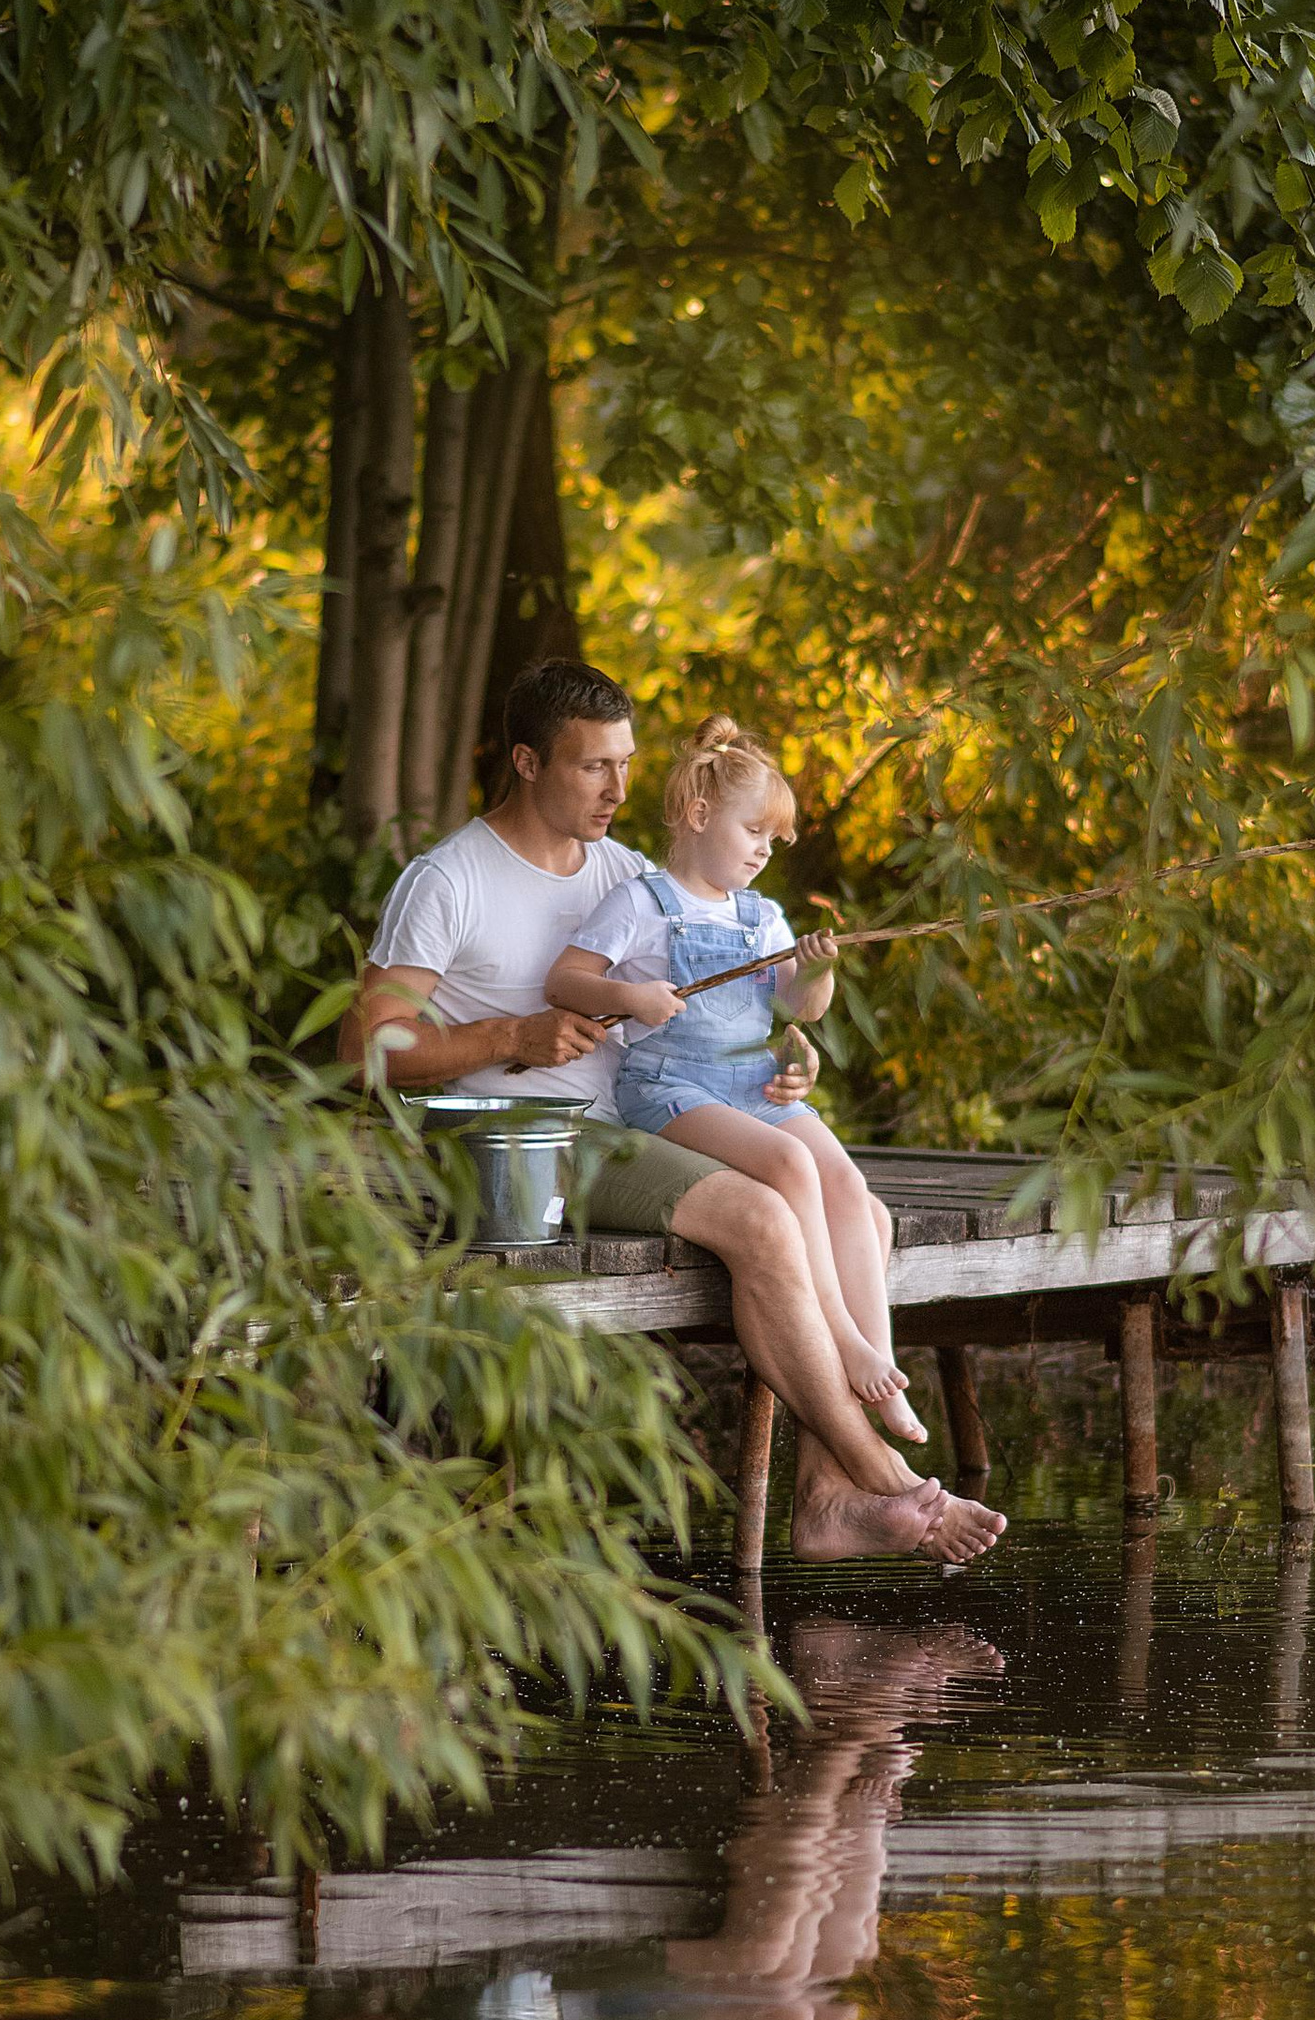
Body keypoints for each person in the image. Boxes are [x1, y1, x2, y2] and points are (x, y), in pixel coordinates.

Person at [337, 656, 1005, 1567]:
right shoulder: (449, 879)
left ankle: (824, 1500)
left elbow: (706, 1005)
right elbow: (365, 1049)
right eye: (592, 767)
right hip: (523, 1143)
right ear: (527, 763)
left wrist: (777, 1057)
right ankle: (879, 1475)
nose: (619, 788)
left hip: (632, 1123)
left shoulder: (624, 871)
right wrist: (514, 1037)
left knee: (865, 1214)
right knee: (766, 1219)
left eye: (625, 762)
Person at [543, 714, 928, 1446]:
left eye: (772, 841)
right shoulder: (642, 902)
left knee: (848, 1184)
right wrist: (630, 998)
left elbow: (796, 1010)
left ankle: (883, 1369)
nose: (763, 851)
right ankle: (842, 1336)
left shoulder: (764, 916)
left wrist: (816, 974)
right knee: (790, 1165)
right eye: (755, 832)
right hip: (671, 1089)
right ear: (698, 815)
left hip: (751, 1086)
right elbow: (565, 981)